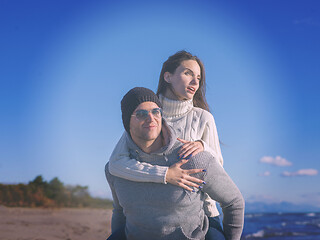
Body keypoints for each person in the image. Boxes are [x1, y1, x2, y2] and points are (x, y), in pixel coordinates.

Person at [108, 51, 226, 238]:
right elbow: (115, 164)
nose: (195, 82)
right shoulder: (146, 113)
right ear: (167, 76)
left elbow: (218, 168)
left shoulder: (203, 118)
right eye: (188, 73)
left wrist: (204, 147)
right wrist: (166, 174)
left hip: (202, 213)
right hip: (147, 213)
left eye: (198, 77)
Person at [105, 87, 245, 240]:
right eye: (141, 114)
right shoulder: (117, 169)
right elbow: (119, 211)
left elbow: (234, 202)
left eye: (156, 111)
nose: (151, 118)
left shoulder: (193, 159)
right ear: (127, 122)